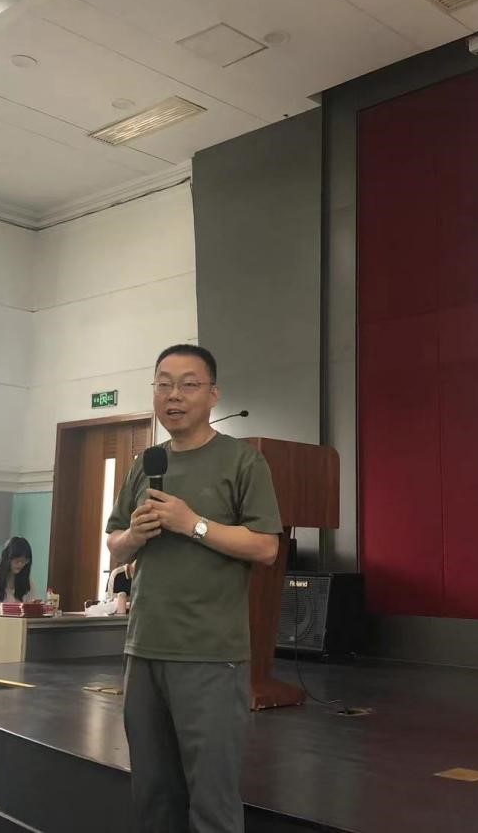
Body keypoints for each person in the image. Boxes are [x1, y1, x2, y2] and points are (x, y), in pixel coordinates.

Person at [106, 344, 281, 833]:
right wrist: (134, 536)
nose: (173, 395)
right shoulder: (145, 463)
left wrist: (193, 524)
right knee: (152, 797)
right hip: (144, 650)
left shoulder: (242, 461)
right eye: (163, 384)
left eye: (188, 384)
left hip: (209, 655)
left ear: (213, 395)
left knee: (211, 801)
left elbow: (266, 547)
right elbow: (114, 545)